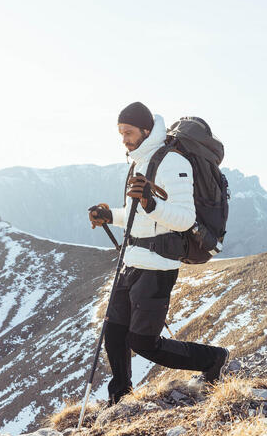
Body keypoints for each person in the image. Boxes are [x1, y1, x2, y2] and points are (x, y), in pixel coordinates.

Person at [89, 101, 229, 404]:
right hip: (131, 261)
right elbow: (135, 214)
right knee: (114, 332)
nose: (123, 138)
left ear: (146, 129)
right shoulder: (139, 161)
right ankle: (121, 400)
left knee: (143, 342)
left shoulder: (173, 163)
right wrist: (108, 215)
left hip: (157, 267)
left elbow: (185, 218)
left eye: (128, 132)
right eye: (120, 133)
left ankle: (212, 359)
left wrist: (152, 203)